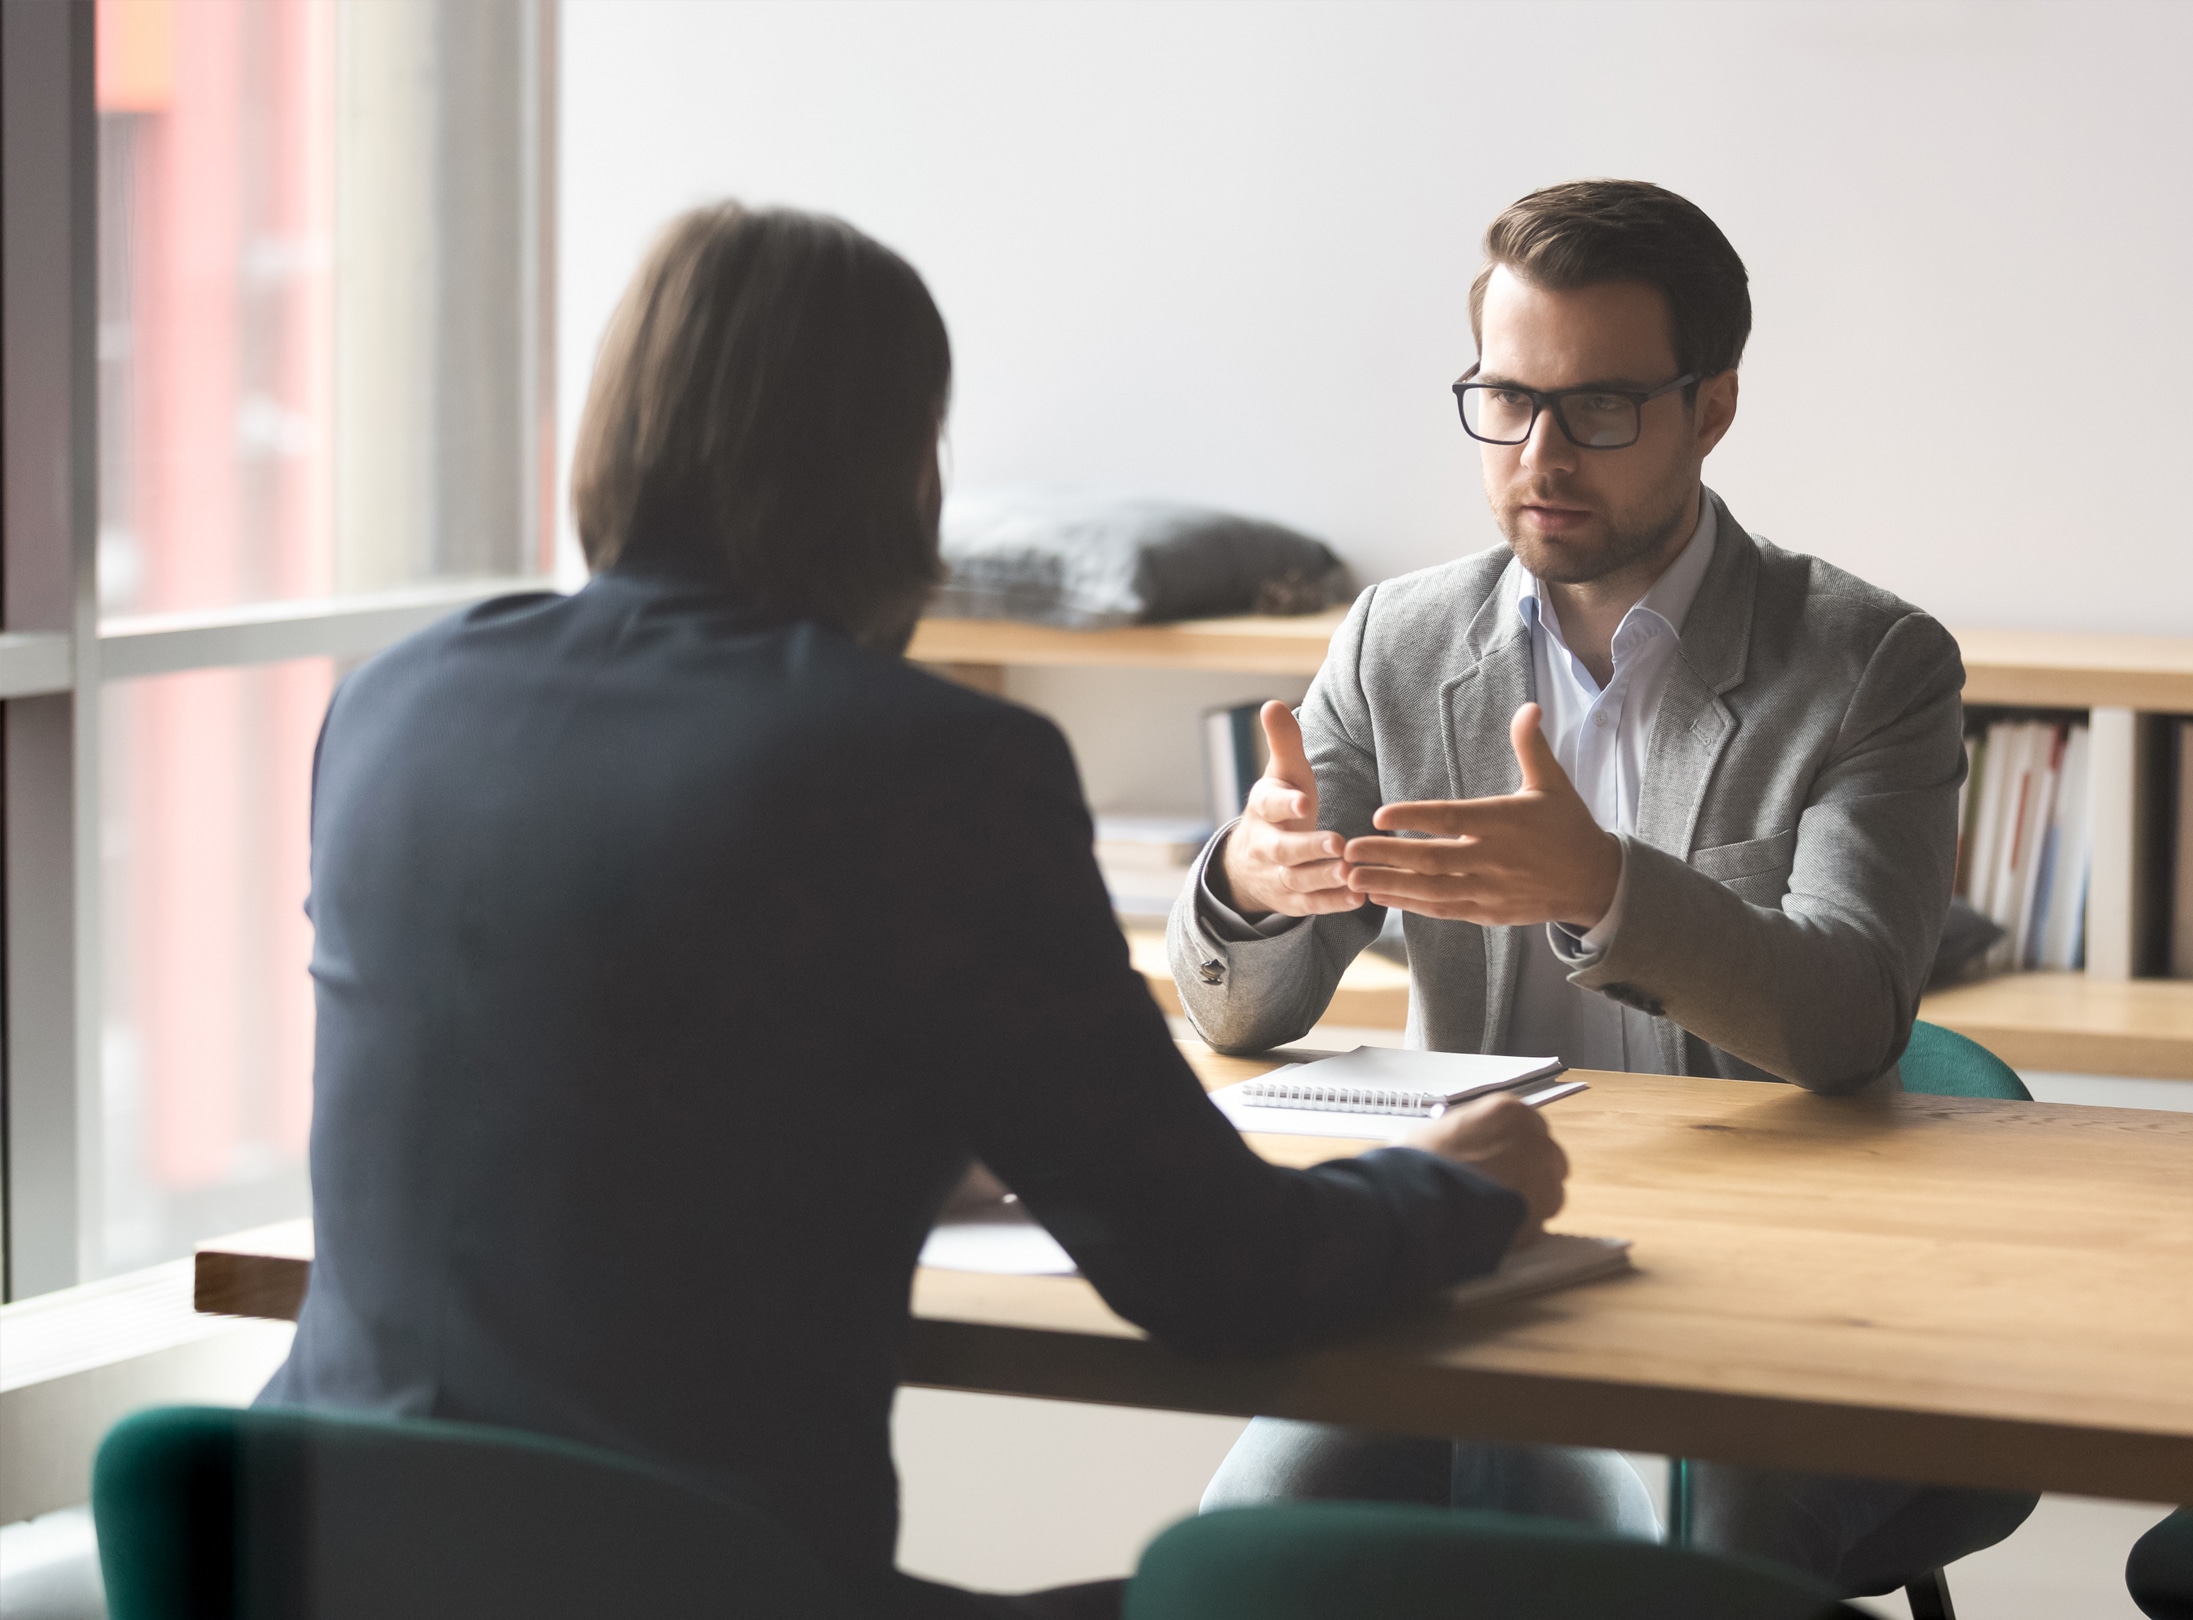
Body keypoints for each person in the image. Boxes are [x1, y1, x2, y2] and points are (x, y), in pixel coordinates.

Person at [258, 203, 1567, 1620]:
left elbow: (571, 1061)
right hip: (693, 1583)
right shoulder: (931, 765)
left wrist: (879, 1137)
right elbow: (1219, 1275)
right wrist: (1462, 1188)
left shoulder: (395, 700)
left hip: (309, 1553)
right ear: (896, 468)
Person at [1168, 179, 2035, 1597]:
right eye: (1505, 400)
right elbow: (1245, 1021)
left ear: (1713, 408)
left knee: (1685, 1560)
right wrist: (1256, 888)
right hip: (1490, 1260)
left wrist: (1607, 887)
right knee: (1244, 1555)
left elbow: (1848, 1018)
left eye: (1603, 408)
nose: (1542, 455)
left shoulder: (1870, 664)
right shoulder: (1400, 639)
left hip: (1792, 1290)